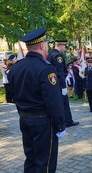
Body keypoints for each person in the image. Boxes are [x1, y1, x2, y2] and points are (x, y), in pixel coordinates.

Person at [8, 28, 66, 172]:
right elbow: (53, 101)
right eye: (46, 43)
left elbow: (13, 96)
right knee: (44, 163)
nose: (47, 46)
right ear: (41, 46)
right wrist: (60, 124)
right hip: (43, 123)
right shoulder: (46, 69)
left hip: (25, 120)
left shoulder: (16, 68)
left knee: (31, 160)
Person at [47, 39, 79, 127]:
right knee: (64, 103)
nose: (65, 49)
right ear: (60, 45)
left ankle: (61, 121)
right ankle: (67, 121)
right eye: (64, 46)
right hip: (59, 83)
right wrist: (63, 86)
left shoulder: (51, 54)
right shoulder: (58, 56)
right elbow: (59, 72)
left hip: (53, 82)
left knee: (58, 103)